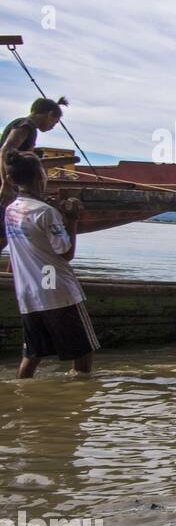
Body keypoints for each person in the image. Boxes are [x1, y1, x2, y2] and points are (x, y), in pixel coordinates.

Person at [2, 150, 97, 378]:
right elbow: (65, 253)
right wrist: (72, 219)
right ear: (40, 177)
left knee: (32, 355)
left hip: (28, 294)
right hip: (57, 291)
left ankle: (22, 400)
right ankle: (79, 405)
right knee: (83, 352)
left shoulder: (11, 210)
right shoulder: (46, 212)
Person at [1, 97, 69, 250]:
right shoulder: (27, 125)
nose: (52, 126)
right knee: (3, 236)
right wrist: (5, 185)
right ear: (49, 114)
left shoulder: (23, 125)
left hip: (12, 182)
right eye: (54, 122)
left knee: (7, 236)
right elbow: (6, 150)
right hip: (8, 183)